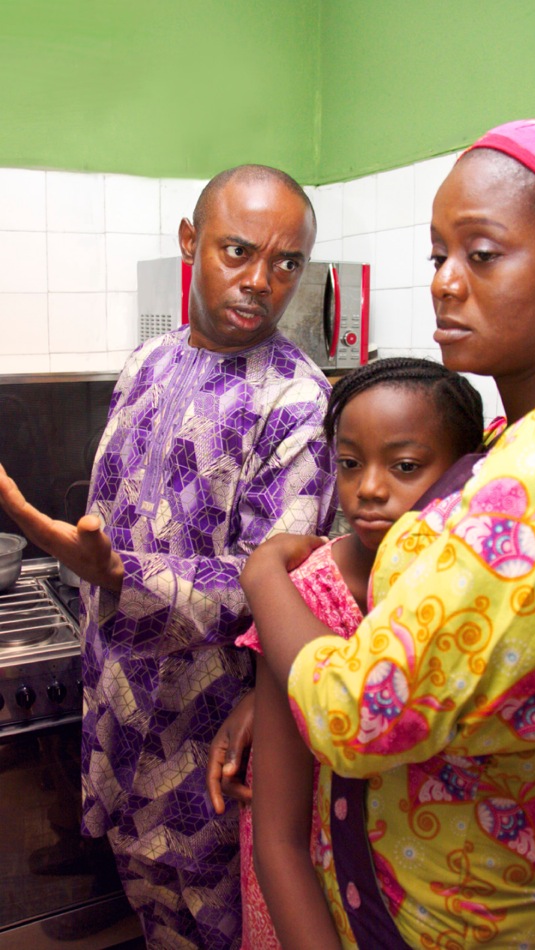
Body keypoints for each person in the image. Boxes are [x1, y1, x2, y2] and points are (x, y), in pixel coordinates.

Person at [239, 119, 535, 949]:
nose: (445, 282)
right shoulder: (527, 437)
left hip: (465, 922)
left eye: (482, 253)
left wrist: (264, 576)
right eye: (438, 255)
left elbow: (358, 713)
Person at [0, 164, 338, 949]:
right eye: (237, 250)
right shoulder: (146, 365)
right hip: (116, 708)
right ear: (191, 242)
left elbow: (271, 587)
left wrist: (123, 578)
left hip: (208, 741)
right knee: (149, 915)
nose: (260, 281)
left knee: (213, 925)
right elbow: (113, 511)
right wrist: (94, 567)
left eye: (286, 263)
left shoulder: (298, 402)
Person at [229, 357, 484, 950]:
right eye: (348, 464)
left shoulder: (479, 593)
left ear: (464, 475)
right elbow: (278, 836)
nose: (368, 488)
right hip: (312, 901)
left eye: (405, 466)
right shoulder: (308, 593)